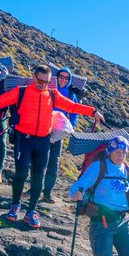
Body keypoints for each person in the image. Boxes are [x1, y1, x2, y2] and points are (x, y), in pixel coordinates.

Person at [0, 65, 105, 228]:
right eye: (40, 81)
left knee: (38, 176)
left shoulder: (52, 94)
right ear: (33, 77)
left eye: (46, 82)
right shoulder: (21, 91)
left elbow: (72, 106)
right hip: (24, 140)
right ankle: (15, 205)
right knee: (21, 174)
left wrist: (93, 111)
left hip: (43, 142)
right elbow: (0, 100)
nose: (43, 85)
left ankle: (31, 211)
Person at [70, 136, 129, 256]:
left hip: (123, 222)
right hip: (101, 223)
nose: (121, 156)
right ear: (109, 151)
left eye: (124, 153)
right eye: (117, 152)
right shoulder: (99, 167)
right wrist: (75, 194)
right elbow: (77, 186)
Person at [40, 67, 80, 204]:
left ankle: (47, 192)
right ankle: (34, 188)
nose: (63, 79)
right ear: (56, 77)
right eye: (60, 76)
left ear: (69, 80)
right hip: (42, 128)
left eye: (66, 78)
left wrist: (70, 128)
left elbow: (74, 113)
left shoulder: (70, 94)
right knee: (39, 161)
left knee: (53, 163)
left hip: (58, 132)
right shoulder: (48, 89)